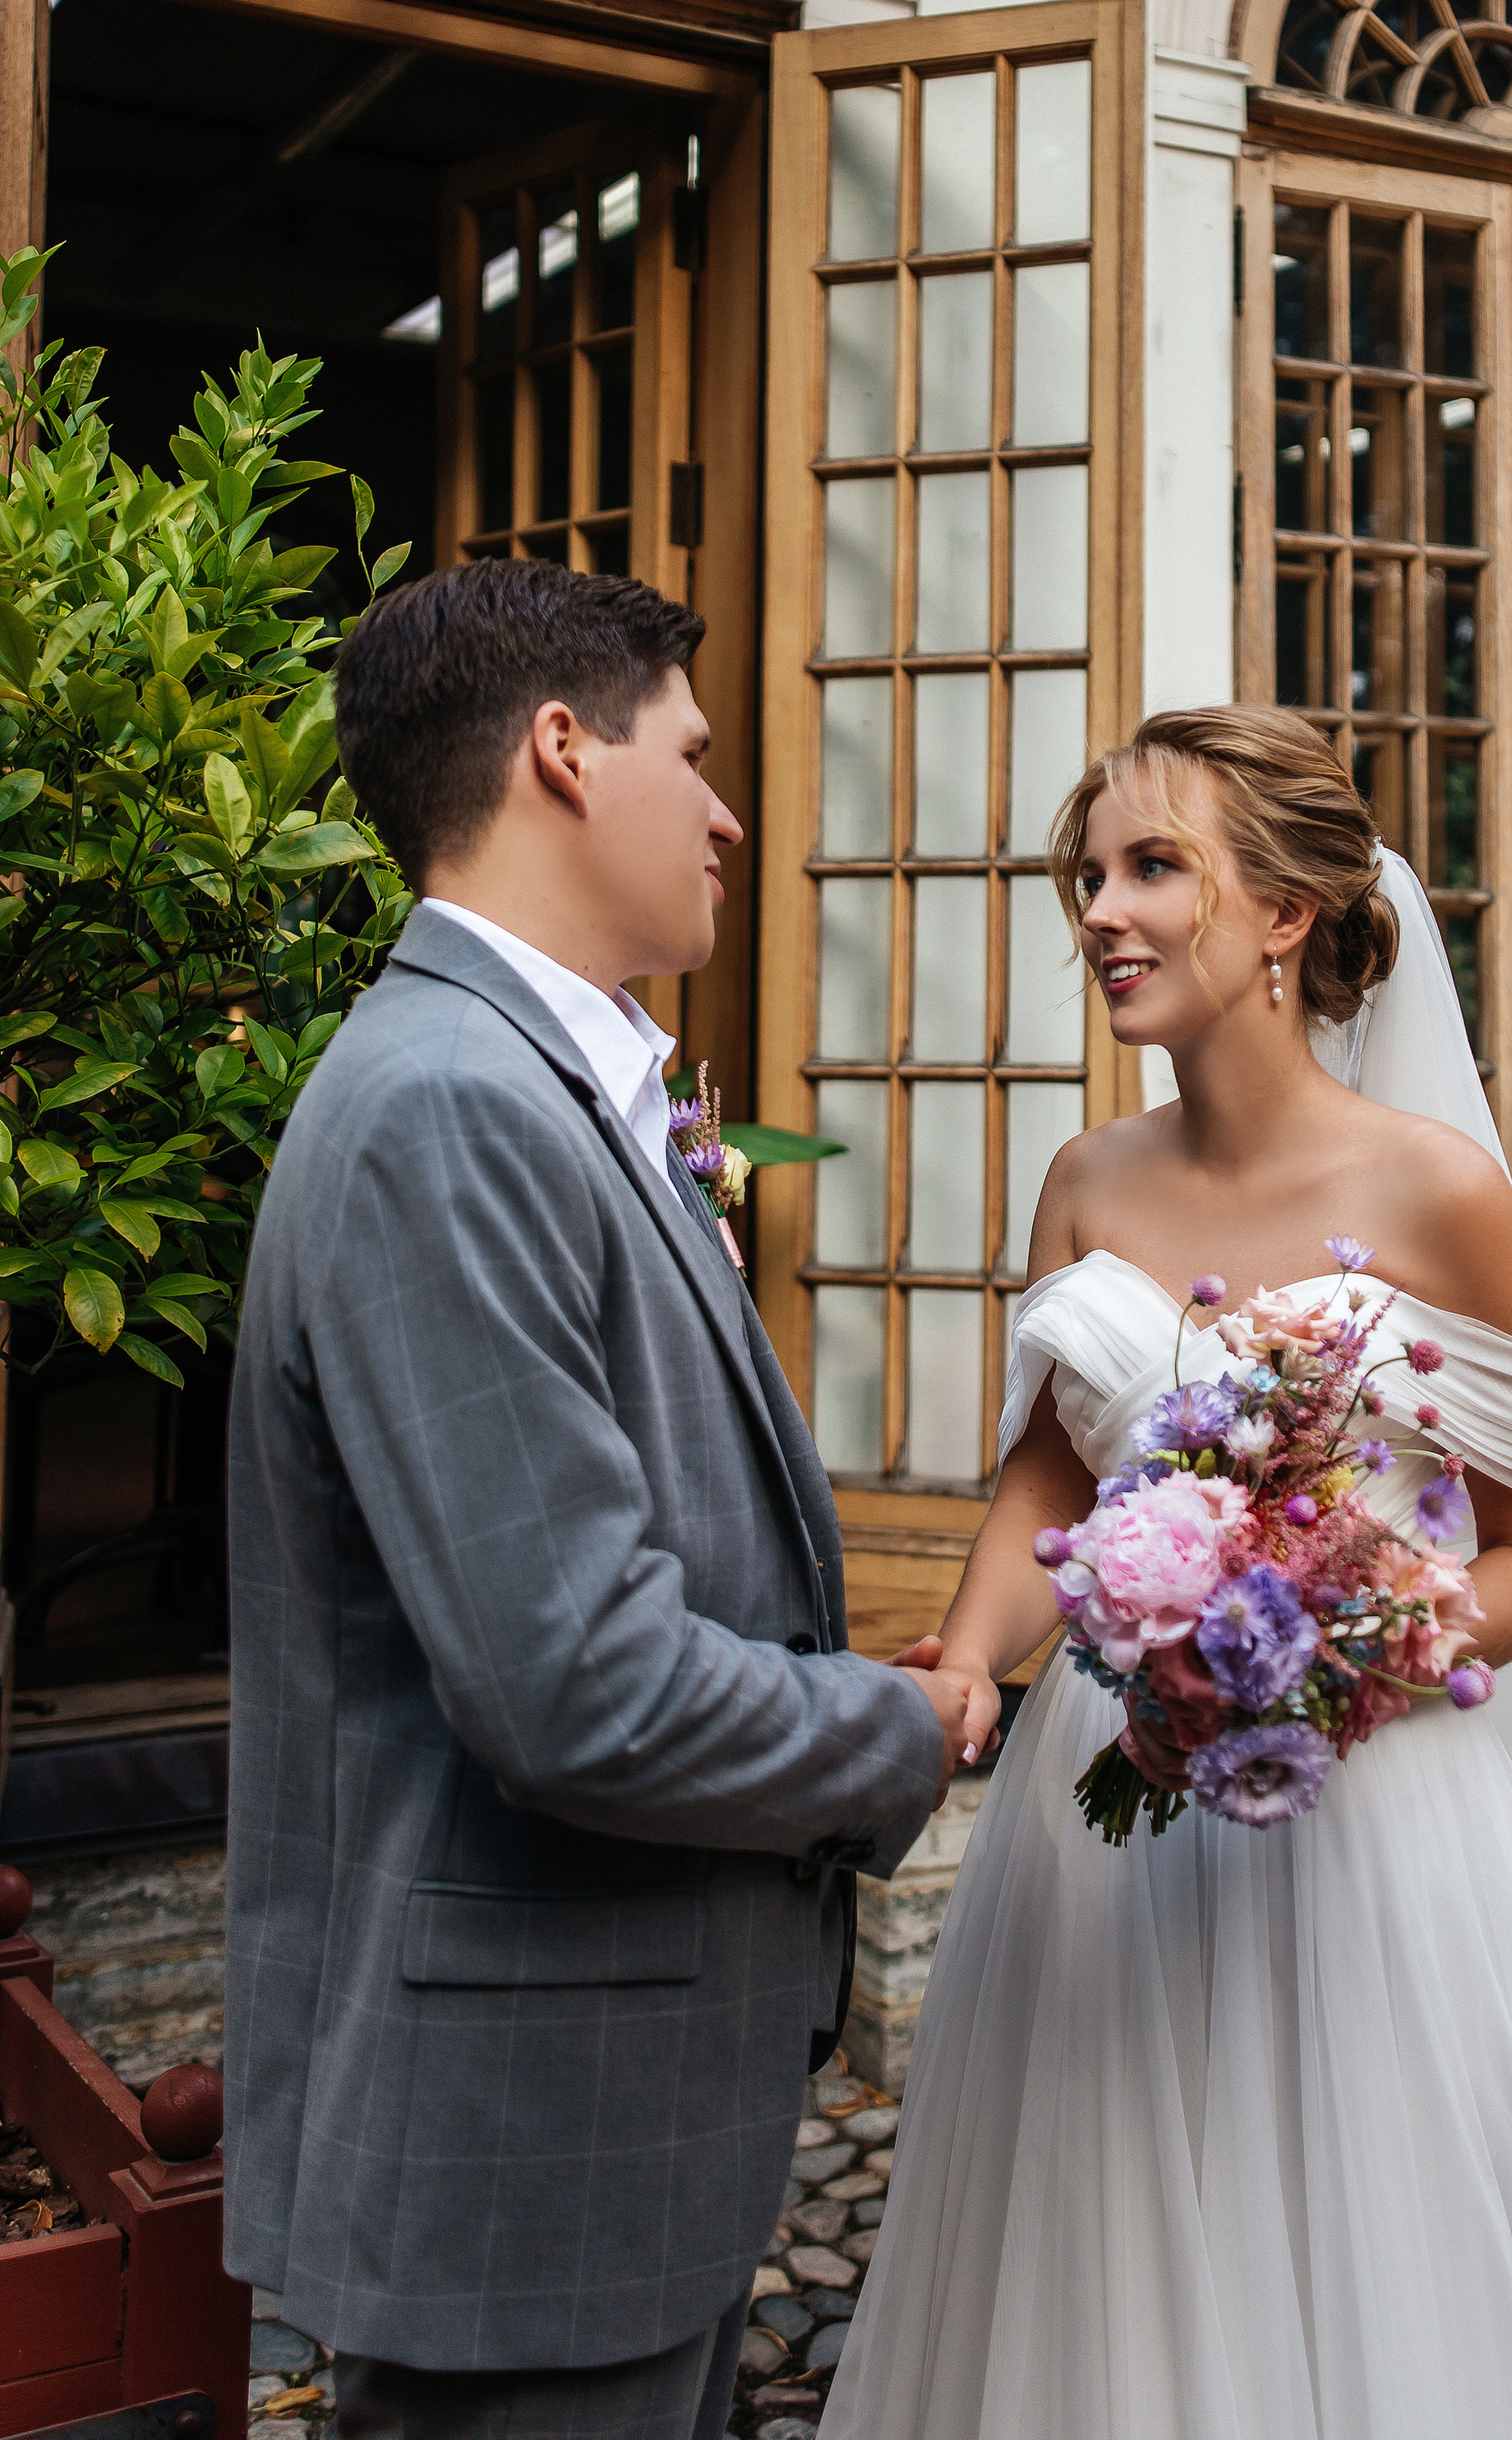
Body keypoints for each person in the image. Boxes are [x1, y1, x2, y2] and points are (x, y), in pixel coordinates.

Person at [823, 704, 1512, 2440]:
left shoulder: (1437, 1192)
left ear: (1280, 916)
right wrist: (967, 1660)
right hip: (1102, 1819)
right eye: (1087, 875)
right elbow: (1052, 1463)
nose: (1098, 911)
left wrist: (1334, 1653)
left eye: (1150, 868)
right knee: (1104, 2250)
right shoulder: (1082, 1179)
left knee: (1378, 2268)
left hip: (1379, 1818)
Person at [223, 561, 977, 2440]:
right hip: (527, 2130)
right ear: (561, 750)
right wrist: (896, 1724)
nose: (727, 807)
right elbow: (581, 1688)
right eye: (692, 753)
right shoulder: (451, 1107)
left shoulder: (530, 1083)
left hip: (604, 2115)